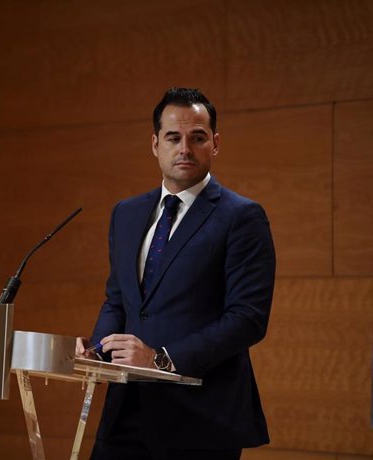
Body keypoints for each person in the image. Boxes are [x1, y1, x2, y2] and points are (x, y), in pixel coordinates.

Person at [76, 87, 276, 460]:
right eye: (173, 137)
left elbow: (248, 318)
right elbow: (118, 299)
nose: (185, 148)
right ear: (155, 144)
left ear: (214, 143)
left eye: (197, 137)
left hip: (200, 417)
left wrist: (161, 359)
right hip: (125, 413)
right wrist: (98, 350)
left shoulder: (241, 217)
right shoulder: (126, 213)